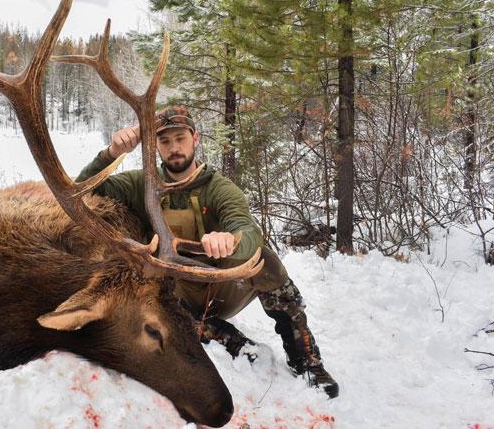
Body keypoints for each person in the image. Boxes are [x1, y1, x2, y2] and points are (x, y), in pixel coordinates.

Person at [76, 106, 339, 398]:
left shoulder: (219, 189)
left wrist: (232, 239)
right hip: (174, 293)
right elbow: (83, 191)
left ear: (195, 138)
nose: (174, 148)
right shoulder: (141, 184)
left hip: (221, 287)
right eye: (164, 141)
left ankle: (306, 360)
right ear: (155, 146)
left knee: (263, 259)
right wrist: (111, 153)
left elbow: (249, 230)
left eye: (180, 138)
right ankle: (231, 341)